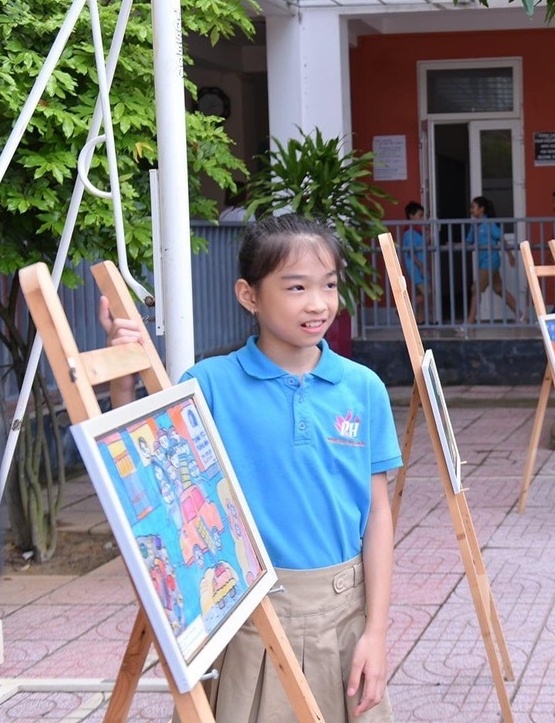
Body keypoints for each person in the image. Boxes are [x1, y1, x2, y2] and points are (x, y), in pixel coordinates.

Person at [99, 214, 401, 723]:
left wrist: (375, 633)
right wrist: (124, 383)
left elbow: (377, 516)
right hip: (245, 621)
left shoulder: (363, 387)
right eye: (297, 286)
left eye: (329, 285)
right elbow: (149, 481)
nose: (318, 303)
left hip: (344, 616)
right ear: (249, 295)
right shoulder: (208, 385)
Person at [463, 195, 521, 332]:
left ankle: (470, 322)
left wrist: (510, 255)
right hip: (483, 261)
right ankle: (521, 315)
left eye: (473, 207)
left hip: (491, 261)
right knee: (499, 289)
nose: (471, 210)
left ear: (481, 209)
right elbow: (468, 241)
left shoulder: (489, 224)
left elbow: (501, 238)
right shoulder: (475, 225)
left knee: (476, 290)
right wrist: (454, 245)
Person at [401, 201, 429, 324]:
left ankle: (420, 320)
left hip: (420, 267)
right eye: (420, 215)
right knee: (427, 293)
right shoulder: (409, 232)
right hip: (416, 268)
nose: (421, 218)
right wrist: (421, 266)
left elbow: (424, 244)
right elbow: (411, 252)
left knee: (420, 293)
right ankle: (403, 310)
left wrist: (427, 232)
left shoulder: (417, 231)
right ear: (411, 216)